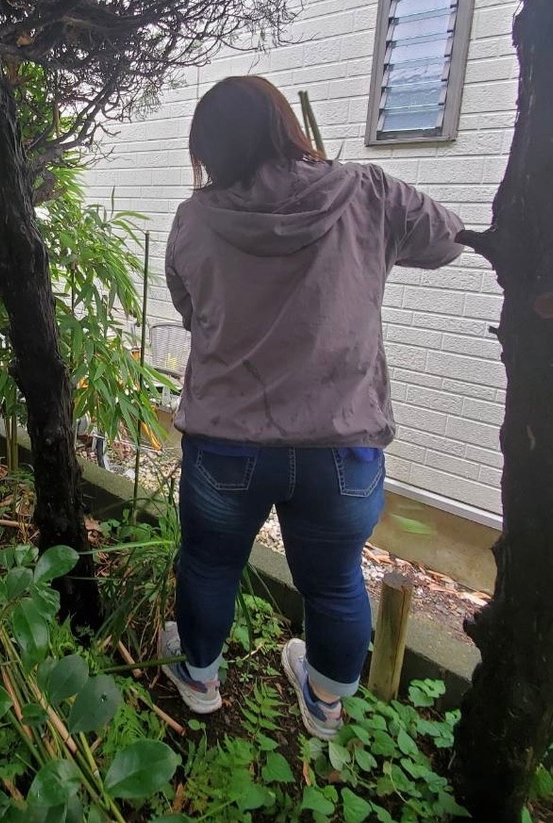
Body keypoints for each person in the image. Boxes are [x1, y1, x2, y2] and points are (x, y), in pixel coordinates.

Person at [159, 76, 464, 739]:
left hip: (226, 444)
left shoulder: (196, 218)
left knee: (210, 564)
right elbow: (444, 240)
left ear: (208, 147)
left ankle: (200, 678)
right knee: (332, 584)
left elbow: (190, 310)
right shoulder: (368, 191)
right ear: (283, 127)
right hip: (341, 447)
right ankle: (324, 700)